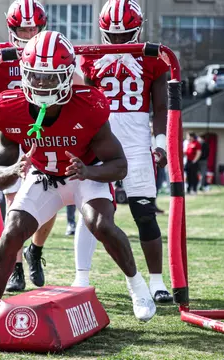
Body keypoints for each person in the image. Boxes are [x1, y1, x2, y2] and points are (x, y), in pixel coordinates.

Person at [0, 31, 156, 331]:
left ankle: (138, 287)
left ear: (69, 76)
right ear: (25, 74)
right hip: (43, 175)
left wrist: (88, 171)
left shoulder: (89, 104)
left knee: (101, 224)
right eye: (36, 76)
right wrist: (16, 169)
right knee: (12, 230)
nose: (42, 84)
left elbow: (120, 166)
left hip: (84, 173)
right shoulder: (8, 107)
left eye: (51, 77)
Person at [0, 0, 83, 291]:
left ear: (41, 26)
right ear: (11, 28)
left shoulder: (51, 51)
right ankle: (16, 269)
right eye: (22, 29)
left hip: (46, 137)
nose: (28, 35)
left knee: (49, 206)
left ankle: (35, 251)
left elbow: (82, 85)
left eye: (33, 29)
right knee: (13, 204)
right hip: (15, 140)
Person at [75, 0, 172, 303]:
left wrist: (160, 143)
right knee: (90, 212)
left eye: (124, 35)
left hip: (136, 141)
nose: (117, 41)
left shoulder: (153, 59)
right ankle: (81, 277)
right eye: (113, 35)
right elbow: (85, 100)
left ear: (137, 30)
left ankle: (156, 281)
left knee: (144, 212)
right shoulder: (90, 58)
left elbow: (161, 106)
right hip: (100, 138)